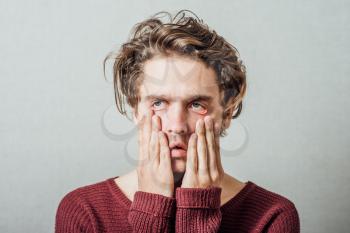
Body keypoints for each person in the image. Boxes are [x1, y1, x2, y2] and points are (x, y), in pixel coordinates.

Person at [55, 10, 300, 233]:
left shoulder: (272, 217)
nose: (177, 125)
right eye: (158, 103)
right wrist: (151, 213)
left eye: (196, 105)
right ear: (135, 110)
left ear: (226, 114)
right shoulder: (83, 211)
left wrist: (197, 212)